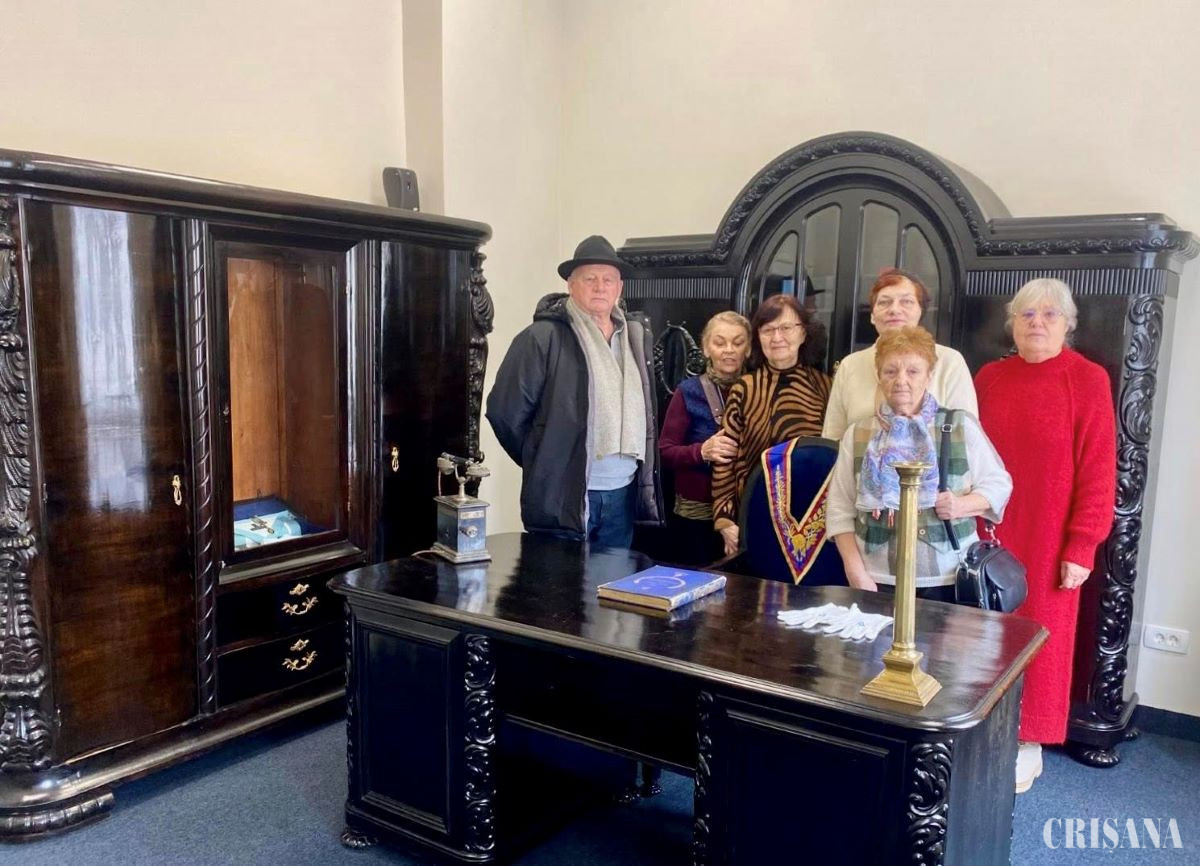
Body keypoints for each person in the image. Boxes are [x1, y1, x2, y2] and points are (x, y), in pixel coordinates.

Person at [974, 278, 1116, 794]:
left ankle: (1027, 742)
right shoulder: (989, 377)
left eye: (1049, 314)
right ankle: (983, 732)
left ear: (1068, 324)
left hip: (1051, 537)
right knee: (982, 635)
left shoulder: (1087, 379)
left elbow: (1099, 469)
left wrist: (1083, 545)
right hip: (987, 529)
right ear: (1012, 323)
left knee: (1041, 640)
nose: (1037, 323)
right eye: (1027, 314)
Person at [486, 235, 663, 547]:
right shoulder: (542, 337)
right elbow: (504, 412)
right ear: (570, 284)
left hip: (623, 495)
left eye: (608, 280)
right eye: (590, 279)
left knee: (614, 578)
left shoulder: (636, 337)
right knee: (561, 579)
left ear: (619, 288)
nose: (600, 287)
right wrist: (545, 460)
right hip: (564, 496)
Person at [826, 326, 1011, 602]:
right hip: (876, 581)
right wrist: (856, 573)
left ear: (929, 376)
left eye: (913, 371)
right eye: (891, 371)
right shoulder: (858, 434)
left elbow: (999, 485)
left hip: (950, 580)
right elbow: (839, 509)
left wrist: (961, 505)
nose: (901, 380)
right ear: (879, 376)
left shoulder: (959, 426)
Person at [711, 295, 832, 555]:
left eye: (786, 327)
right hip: (753, 514)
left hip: (811, 519)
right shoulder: (744, 388)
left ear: (803, 333)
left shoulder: (825, 387)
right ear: (758, 337)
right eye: (768, 330)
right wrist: (724, 520)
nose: (777, 337)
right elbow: (725, 457)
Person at [822, 268, 977, 442]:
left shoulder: (950, 361)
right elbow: (833, 436)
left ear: (920, 311)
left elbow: (967, 436)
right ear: (872, 316)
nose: (894, 309)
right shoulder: (851, 365)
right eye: (884, 302)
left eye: (906, 301)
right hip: (857, 459)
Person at [658, 311, 751, 563]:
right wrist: (701, 451)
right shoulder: (688, 392)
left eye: (738, 343)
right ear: (706, 348)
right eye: (720, 343)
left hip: (746, 511)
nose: (729, 350)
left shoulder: (759, 390)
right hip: (697, 515)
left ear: (749, 349)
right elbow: (664, 451)